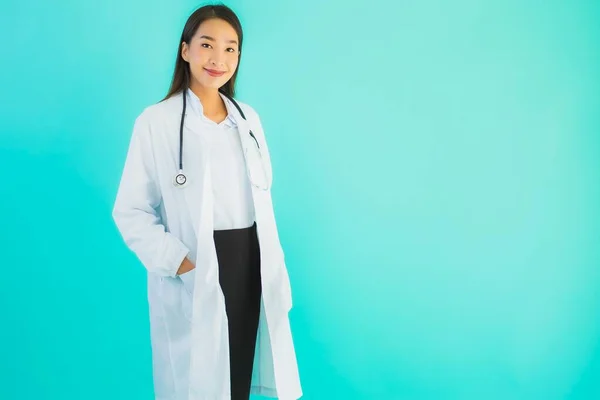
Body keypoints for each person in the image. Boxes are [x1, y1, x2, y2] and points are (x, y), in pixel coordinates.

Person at [112, 4, 302, 400]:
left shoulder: (247, 119)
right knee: (197, 384)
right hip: (197, 263)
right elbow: (130, 210)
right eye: (207, 45)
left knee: (235, 383)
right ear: (185, 51)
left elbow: (261, 198)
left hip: (250, 262)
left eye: (231, 48)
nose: (219, 58)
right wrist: (182, 264)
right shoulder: (157, 122)